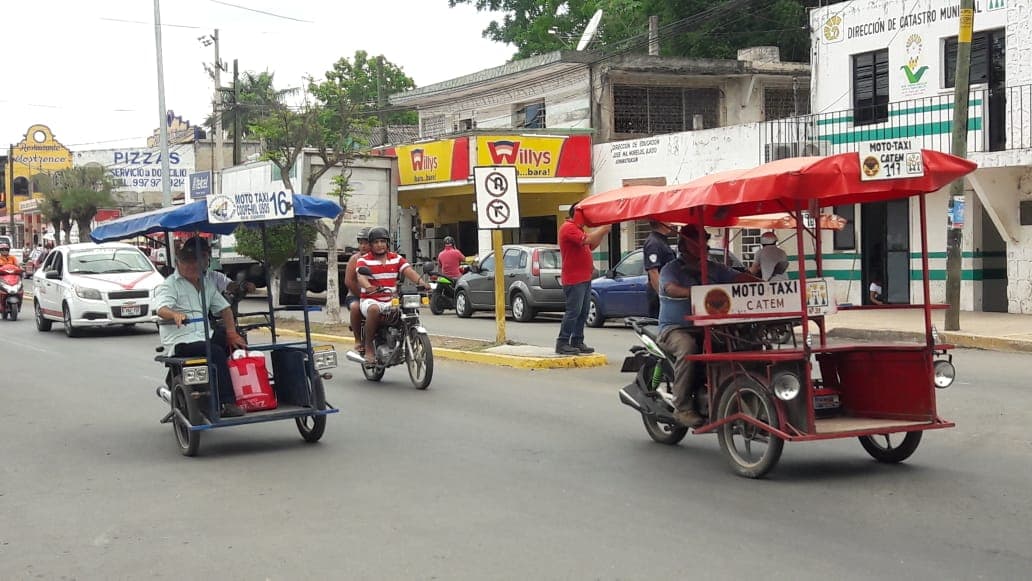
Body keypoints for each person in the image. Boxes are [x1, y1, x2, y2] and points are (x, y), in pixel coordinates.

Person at [658, 224, 758, 427]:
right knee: (688, 348)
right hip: (675, 329)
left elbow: (738, 277)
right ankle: (682, 408)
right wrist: (696, 293)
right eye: (699, 241)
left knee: (738, 343)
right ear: (685, 245)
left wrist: (763, 283)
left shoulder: (714, 267)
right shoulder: (671, 269)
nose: (704, 244)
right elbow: (671, 288)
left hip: (709, 327)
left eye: (705, 240)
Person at [154, 242, 249, 417]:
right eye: (187, 262)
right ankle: (226, 401)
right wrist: (175, 314)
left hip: (204, 335)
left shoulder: (206, 283)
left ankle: (240, 390)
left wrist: (231, 333)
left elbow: (224, 309)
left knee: (236, 345)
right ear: (178, 263)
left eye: (195, 261)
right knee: (215, 352)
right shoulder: (170, 285)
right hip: (182, 339)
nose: (192, 266)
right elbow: (161, 308)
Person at [355, 227, 427, 364]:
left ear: (387, 243)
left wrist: (422, 282)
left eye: (383, 241)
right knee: (374, 309)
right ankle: (369, 346)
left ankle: (405, 340)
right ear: (370, 244)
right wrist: (369, 287)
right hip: (370, 300)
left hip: (390, 300)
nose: (380, 244)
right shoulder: (363, 260)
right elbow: (361, 276)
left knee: (408, 311)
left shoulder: (396, 258)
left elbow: (408, 271)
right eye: (376, 242)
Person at [556, 203, 611, 355]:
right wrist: (602, 229)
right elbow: (586, 240)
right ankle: (562, 342)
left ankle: (577, 340)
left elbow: (591, 244)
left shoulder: (579, 229)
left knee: (583, 311)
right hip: (574, 279)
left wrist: (602, 233)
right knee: (573, 311)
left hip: (584, 278)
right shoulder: (568, 228)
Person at [344, 228, 372, 352]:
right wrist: (362, 295)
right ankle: (357, 339)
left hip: (377, 295)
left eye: (366, 243)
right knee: (355, 307)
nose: (363, 246)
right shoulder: (355, 259)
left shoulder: (380, 258)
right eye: (361, 243)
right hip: (356, 295)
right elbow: (349, 281)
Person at [642, 220, 676, 318]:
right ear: (661, 223)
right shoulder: (653, 243)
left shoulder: (661, 241)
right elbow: (653, 271)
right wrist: (662, 296)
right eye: (668, 220)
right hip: (659, 295)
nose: (671, 223)